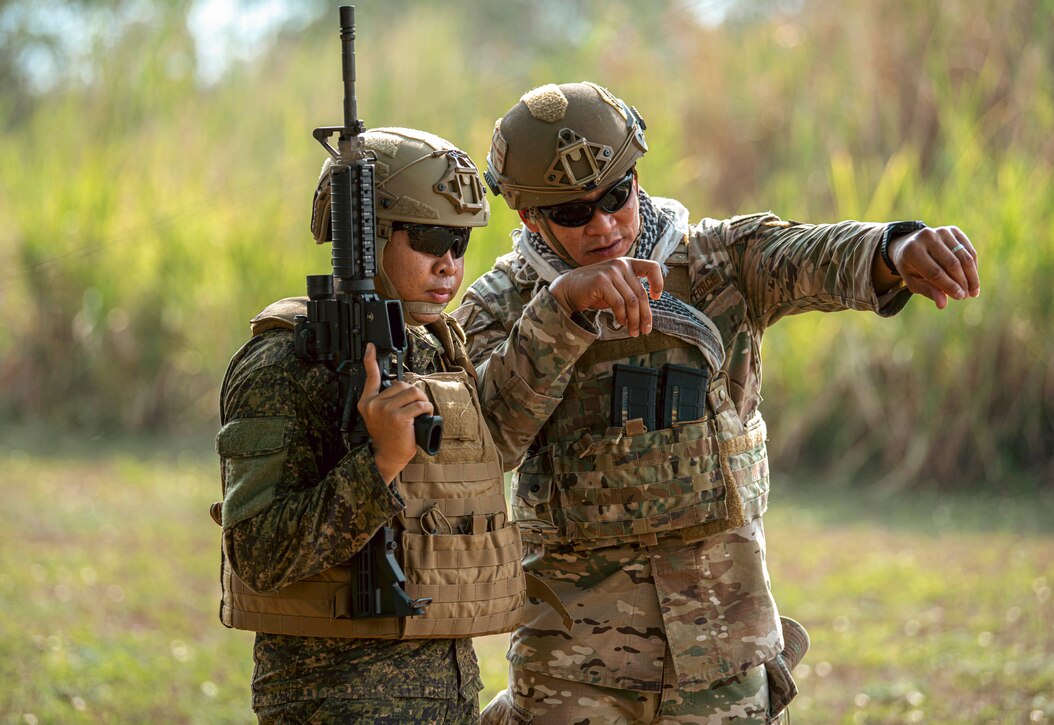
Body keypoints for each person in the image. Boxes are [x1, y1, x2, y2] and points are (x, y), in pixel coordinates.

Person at [453, 82, 981, 724]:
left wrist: (894, 249)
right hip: (571, 664)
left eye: (616, 196)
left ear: (637, 178)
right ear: (530, 218)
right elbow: (484, 446)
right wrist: (561, 314)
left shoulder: (715, 264)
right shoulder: (500, 307)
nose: (604, 225)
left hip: (721, 646)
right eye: (572, 213)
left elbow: (809, 255)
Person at [212, 127, 526, 724]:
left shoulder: (431, 349)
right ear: (372, 235)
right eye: (431, 238)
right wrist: (378, 463)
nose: (449, 265)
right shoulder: (285, 363)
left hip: (445, 692)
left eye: (459, 242)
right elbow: (257, 554)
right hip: (334, 699)